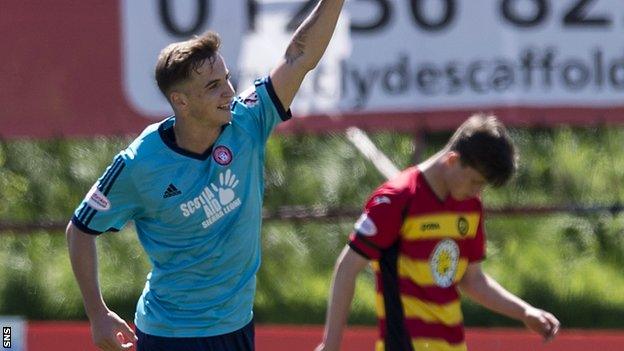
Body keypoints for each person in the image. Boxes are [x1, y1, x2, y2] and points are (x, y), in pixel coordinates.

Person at [65, 1, 346, 350]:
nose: (229, 92)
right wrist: (97, 313)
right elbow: (79, 230)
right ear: (181, 102)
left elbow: (297, 58)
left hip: (236, 327)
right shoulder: (140, 163)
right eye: (213, 86)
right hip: (169, 335)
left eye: (227, 79)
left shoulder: (248, 122)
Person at [315, 115, 561, 351]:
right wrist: (331, 345)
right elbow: (347, 267)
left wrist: (524, 312)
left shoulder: (469, 204)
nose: (478, 192)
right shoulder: (398, 199)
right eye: (475, 182)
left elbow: (472, 279)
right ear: (452, 160)